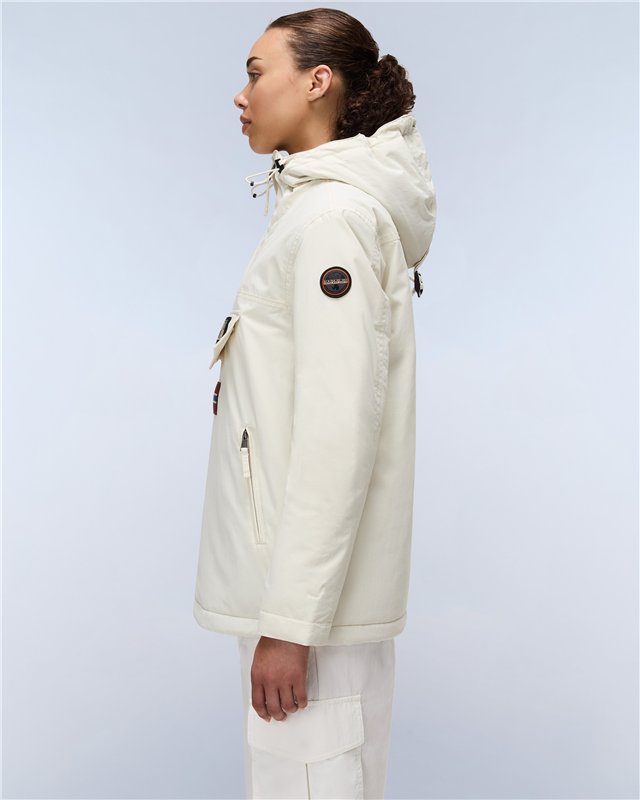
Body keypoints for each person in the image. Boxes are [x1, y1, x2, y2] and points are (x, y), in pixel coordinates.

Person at [193, 7, 437, 798]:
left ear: (317, 82)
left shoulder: (333, 219)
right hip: (304, 601)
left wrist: (291, 627)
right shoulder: (313, 208)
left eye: (257, 73)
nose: (241, 95)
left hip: (307, 615)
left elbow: (338, 433)